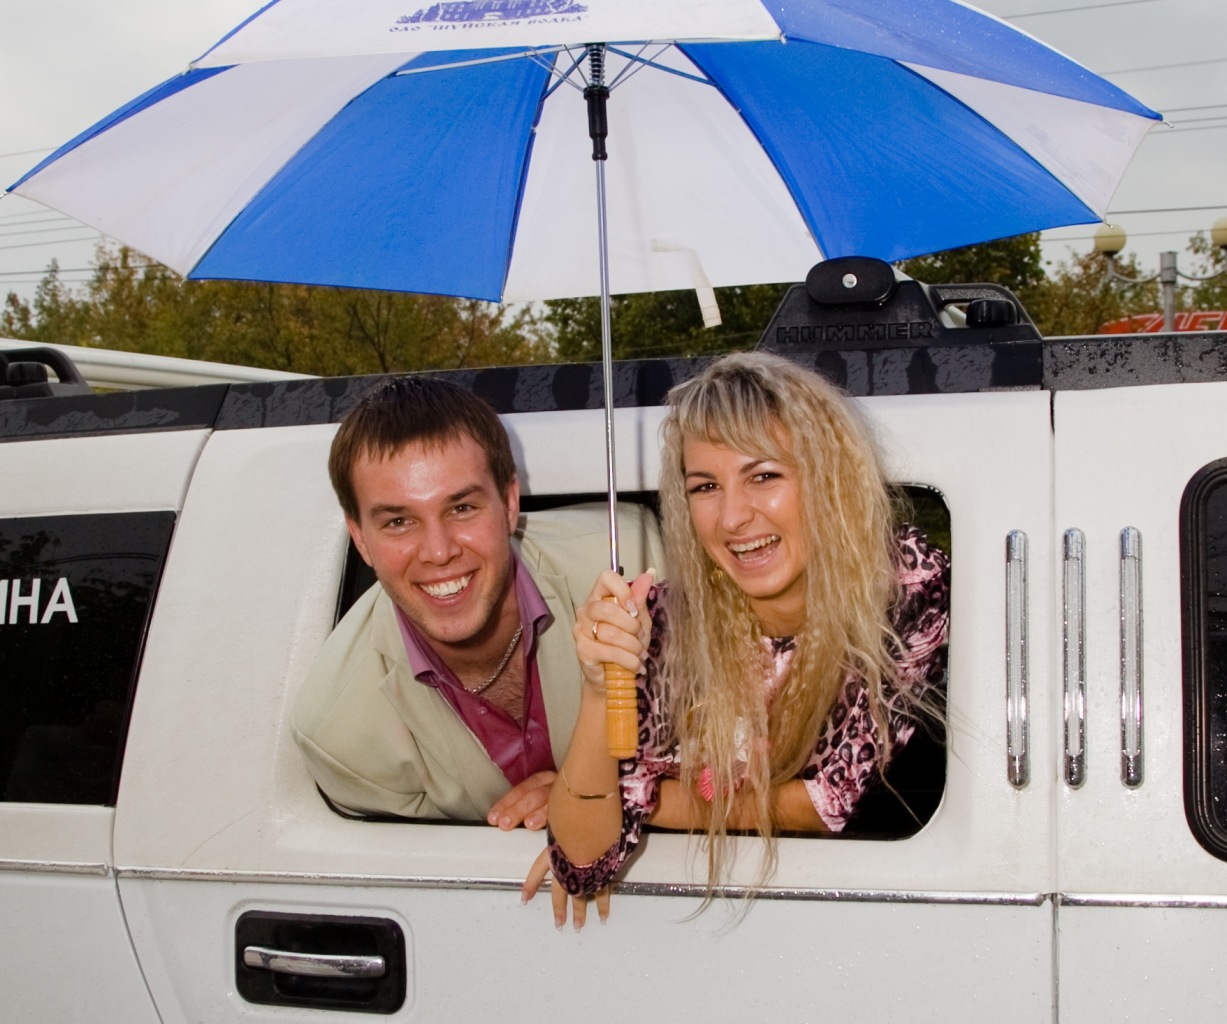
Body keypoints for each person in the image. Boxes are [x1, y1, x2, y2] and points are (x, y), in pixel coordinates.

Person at [525, 351, 949, 926]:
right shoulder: (660, 621)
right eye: (705, 486)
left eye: (764, 476)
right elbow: (582, 865)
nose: (731, 518)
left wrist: (645, 801)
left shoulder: (908, 584)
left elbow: (831, 801)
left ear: (831, 477)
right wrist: (601, 689)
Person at [292, 375, 661, 829]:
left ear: (509, 503)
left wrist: (600, 793)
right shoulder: (340, 736)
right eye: (399, 522)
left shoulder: (636, 560)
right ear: (361, 539)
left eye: (461, 508)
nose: (438, 551)